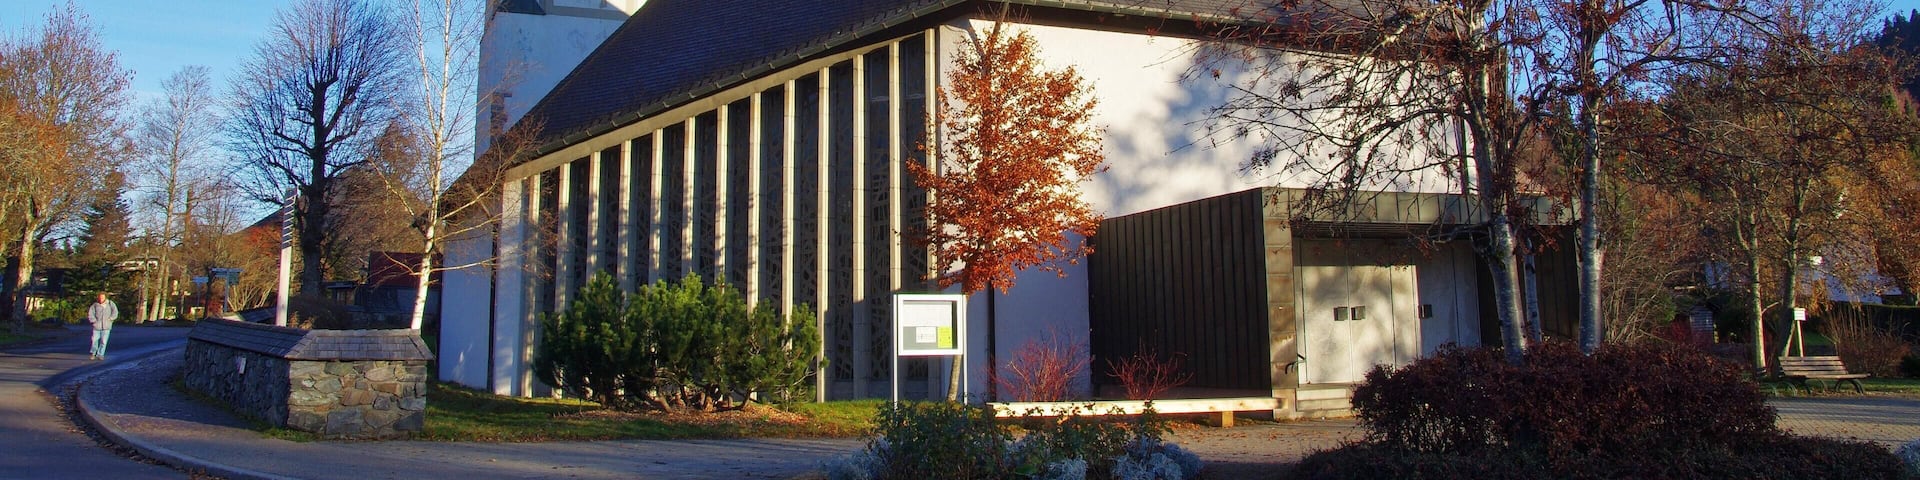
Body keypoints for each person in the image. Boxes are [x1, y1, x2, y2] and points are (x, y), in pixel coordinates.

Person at [87, 293, 118, 360]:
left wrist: (111, 319)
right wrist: (94, 321)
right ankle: (93, 353)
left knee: (103, 341)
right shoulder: (95, 305)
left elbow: (115, 312)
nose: (101, 299)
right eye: (100, 298)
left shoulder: (110, 303)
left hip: (106, 327)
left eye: (102, 298)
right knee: (94, 341)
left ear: (105, 298)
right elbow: (91, 313)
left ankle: (100, 354)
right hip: (97, 326)